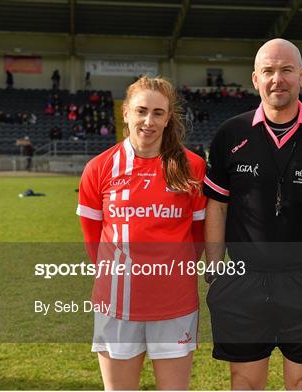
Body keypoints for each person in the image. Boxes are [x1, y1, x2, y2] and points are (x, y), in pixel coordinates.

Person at [204, 38, 302, 390]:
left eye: (286, 70)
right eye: (268, 71)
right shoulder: (231, 133)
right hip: (243, 279)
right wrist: (213, 269)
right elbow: (217, 206)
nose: (277, 79)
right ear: (255, 79)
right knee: (244, 380)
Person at [76, 76, 206, 390]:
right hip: (116, 304)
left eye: (158, 113)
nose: (149, 121)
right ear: (125, 113)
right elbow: (93, 238)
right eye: (141, 111)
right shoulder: (99, 168)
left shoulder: (192, 167)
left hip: (175, 304)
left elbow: (198, 236)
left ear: (168, 118)